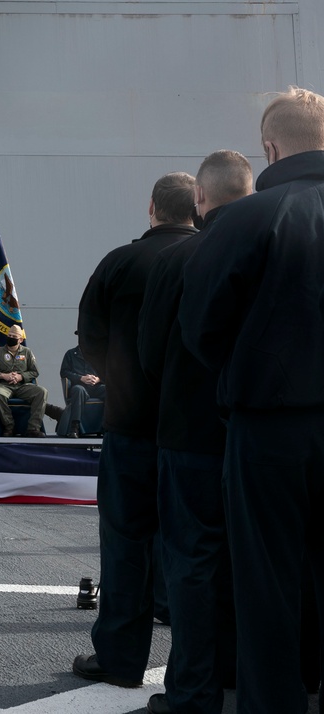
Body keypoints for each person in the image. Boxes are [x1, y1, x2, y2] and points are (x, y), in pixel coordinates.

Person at [179, 87, 324, 714]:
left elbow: (202, 328)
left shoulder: (243, 220)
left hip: (270, 428)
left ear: (269, 147)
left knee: (267, 581)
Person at [72, 171, 198, 689]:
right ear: (198, 206)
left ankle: (121, 657)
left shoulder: (119, 262)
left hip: (128, 423)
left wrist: (124, 380)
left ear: (152, 209)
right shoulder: (210, 255)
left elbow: (90, 341)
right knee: (194, 545)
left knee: (125, 541)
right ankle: (201, 666)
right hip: (195, 428)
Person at [138, 150, 252, 714]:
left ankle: (193, 691)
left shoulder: (181, 257)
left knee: (192, 564)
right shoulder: (283, 240)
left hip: (189, 432)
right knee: (265, 559)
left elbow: (152, 353)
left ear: (200, 200)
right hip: (262, 430)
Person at [0, 325, 48, 437]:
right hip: (4, 385)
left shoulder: (27, 353)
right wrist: (3, 376)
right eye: (9, 335)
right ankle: (9, 426)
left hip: (22, 385)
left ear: (20, 339)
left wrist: (21, 376)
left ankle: (33, 428)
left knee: (42, 392)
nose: (11, 338)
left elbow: (34, 372)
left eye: (14, 336)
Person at [59, 341, 105, 437]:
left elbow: (107, 371)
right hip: (80, 386)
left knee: (110, 391)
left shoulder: (100, 354)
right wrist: (81, 378)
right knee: (78, 390)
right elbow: (64, 372)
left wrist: (98, 379)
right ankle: (75, 427)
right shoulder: (71, 354)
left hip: (96, 387)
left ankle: (107, 427)